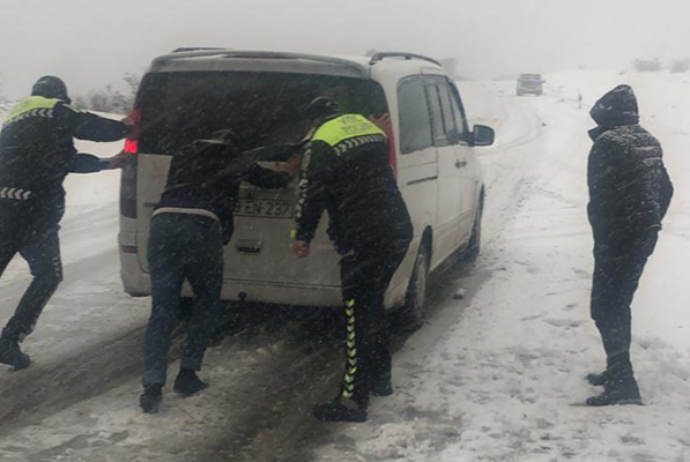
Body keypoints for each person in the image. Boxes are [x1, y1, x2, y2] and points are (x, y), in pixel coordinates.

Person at [140, 130, 299, 413]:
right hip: (201, 228)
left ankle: (152, 384)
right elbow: (271, 181)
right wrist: (288, 171)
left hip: (161, 225)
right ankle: (187, 374)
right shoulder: (236, 159)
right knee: (206, 302)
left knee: (162, 309)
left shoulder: (183, 154)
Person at [292, 97, 413, 422]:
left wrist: (302, 235)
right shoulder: (366, 128)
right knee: (370, 308)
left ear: (312, 122)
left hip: (365, 237)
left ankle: (352, 400)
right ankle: (380, 379)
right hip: (397, 228)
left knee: (357, 317)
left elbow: (310, 191)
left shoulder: (321, 142)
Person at [0, 76, 132, 370]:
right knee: (48, 276)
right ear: (59, 96)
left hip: (3, 208)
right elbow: (93, 128)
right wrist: (127, 127)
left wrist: (105, 163)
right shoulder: (55, 110)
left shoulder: (13, 120)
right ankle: (10, 339)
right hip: (35, 211)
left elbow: (65, 160)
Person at [585, 85, 673, 406]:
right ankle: (617, 369)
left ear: (607, 113)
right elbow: (666, 189)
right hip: (639, 236)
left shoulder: (609, 144)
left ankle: (623, 382)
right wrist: (650, 222)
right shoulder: (647, 139)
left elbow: (600, 198)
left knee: (605, 306)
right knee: (618, 303)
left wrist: (606, 234)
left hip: (617, 238)